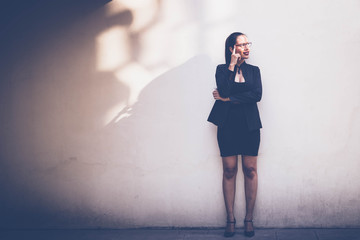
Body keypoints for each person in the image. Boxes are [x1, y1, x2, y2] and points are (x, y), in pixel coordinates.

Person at [207, 32, 262, 238]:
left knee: (250, 170)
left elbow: (256, 95)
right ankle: (230, 219)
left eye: (248, 43)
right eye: (242, 44)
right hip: (228, 125)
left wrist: (227, 98)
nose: (247, 47)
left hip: (250, 125)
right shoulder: (222, 70)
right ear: (232, 49)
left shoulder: (254, 71)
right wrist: (231, 66)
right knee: (229, 170)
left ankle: (249, 219)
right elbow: (223, 87)